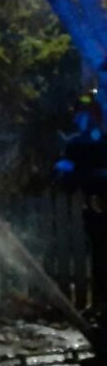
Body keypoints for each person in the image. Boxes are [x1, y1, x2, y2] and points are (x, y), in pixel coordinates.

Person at [53, 91, 107, 316]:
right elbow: (66, 182)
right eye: (81, 112)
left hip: (99, 206)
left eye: (90, 112)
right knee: (99, 260)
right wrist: (65, 172)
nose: (83, 117)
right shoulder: (75, 145)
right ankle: (100, 305)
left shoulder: (100, 143)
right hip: (94, 212)